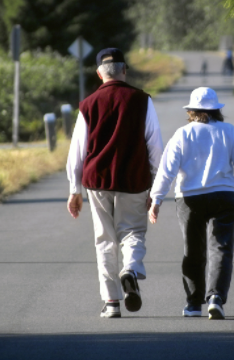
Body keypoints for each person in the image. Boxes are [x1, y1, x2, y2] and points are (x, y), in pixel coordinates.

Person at [66, 48, 164, 318]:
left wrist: (74, 190)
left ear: (99, 74)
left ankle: (111, 303)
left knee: (105, 239)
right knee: (132, 231)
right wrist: (156, 188)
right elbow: (155, 147)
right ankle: (130, 269)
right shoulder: (142, 100)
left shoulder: (88, 104)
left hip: (97, 181)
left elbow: (77, 150)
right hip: (134, 179)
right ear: (125, 70)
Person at [148, 87, 234, 320]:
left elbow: (167, 170)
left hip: (190, 198)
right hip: (224, 195)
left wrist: (156, 199)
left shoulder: (182, 133)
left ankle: (194, 304)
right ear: (217, 110)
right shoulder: (229, 131)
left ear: (191, 111)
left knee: (193, 251)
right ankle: (215, 298)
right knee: (221, 248)